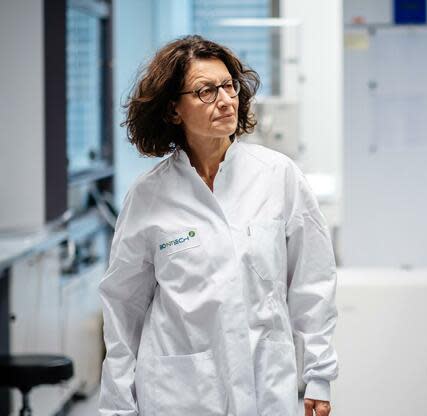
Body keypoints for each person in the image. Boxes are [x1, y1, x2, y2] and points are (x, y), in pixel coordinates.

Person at [98, 35, 338, 416]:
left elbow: (312, 282)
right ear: (174, 110)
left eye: (228, 86)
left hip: (266, 384)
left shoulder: (277, 176)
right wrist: (116, 404)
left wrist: (319, 374)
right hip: (178, 392)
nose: (226, 99)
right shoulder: (149, 195)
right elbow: (123, 307)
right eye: (206, 91)